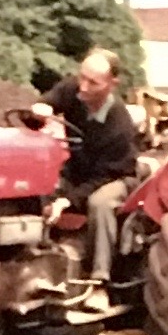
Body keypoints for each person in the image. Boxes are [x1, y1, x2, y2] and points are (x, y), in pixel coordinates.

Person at [31, 48, 138, 311]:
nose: (83, 86)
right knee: (36, 188)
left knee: (100, 204)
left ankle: (99, 285)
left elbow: (104, 175)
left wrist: (66, 201)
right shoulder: (73, 89)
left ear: (112, 84)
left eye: (93, 82)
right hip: (77, 172)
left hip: (114, 176)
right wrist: (38, 110)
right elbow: (46, 104)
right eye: (82, 77)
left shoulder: (119, 126)